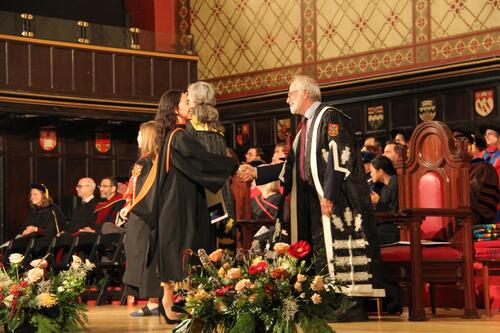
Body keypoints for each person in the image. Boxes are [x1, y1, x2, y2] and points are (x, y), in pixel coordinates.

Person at [239, 75, 384, 321]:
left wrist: (329, 194)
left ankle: (350, 305)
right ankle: (327, 299)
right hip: (312, 200)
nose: (287, 100)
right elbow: (293, 166)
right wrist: (257, 172)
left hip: (340, 200)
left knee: (341, 251)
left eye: (291, 94)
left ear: (306, 93)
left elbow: (339, 158)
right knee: (320, 251)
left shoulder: (331, 117)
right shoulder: (305, 126)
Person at [130, 89, 238, 324]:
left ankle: (170, 303)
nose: (192, 106)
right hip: (180, 204)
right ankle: (177, 303)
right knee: (186, 249)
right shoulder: (179, 136)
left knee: (178, 250)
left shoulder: (171, 135)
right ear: (174, 108)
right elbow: (203, 161)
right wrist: (232, 163)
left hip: (177, 202)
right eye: (186, 102)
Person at [186, 81, 236, 251]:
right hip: (221, 190)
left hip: (202, 190)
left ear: (194, 100)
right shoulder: (217, 127)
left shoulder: (189, 128)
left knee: (204, 240)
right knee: (221, 238)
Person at [121, 121, 162, 317]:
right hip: (143, 214)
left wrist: (131, 206)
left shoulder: (148, 162)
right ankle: (153, 301)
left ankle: (154, 302)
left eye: (139, 134)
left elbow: (146, 192)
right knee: (143, 256)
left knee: (146, 257)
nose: (137, 137)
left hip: (144, 216)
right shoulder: (150, 160)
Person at [369, 155, 399, 244]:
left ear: (380, 172)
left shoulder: (395, 183)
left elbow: (393, 213)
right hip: (385, 224)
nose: (370, 174)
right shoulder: (383, 186)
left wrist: (378, 202)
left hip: (395, 227)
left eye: (372, 171)